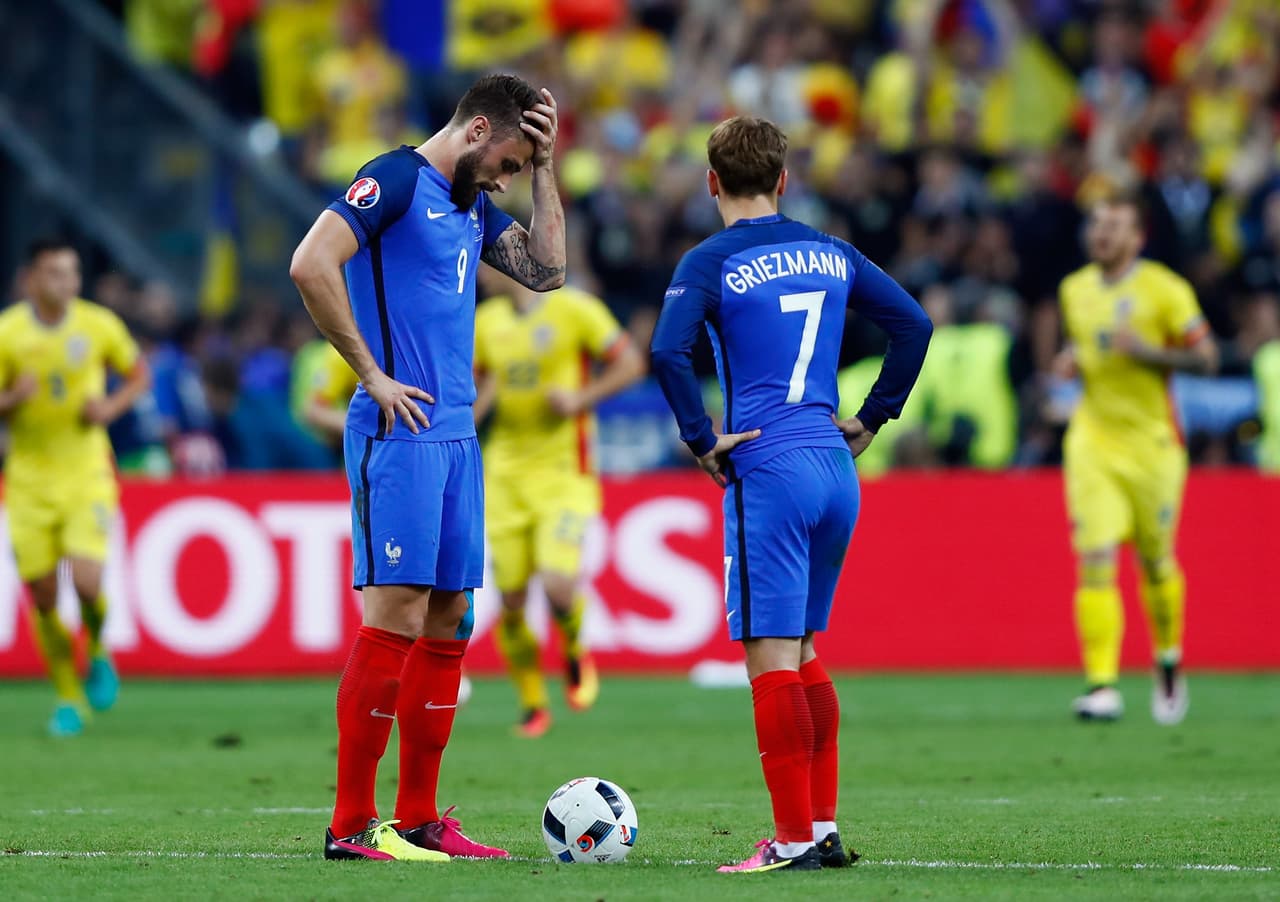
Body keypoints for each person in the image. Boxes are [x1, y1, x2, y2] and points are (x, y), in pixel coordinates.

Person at [290, 73, 565, 862]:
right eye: (511, 161)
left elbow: (548, 272)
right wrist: (370, 374)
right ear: (478, 130)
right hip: (398, 428)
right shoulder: (399, 178)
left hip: (455, 437)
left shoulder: (471, 204)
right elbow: (312, 263)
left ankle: (417, 820)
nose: (509, 178)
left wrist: (545, 169)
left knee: (451, 618)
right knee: (396, 617)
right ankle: (350, 824)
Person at [650, 117, 931, 874]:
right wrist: (873, 418)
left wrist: (700, 438)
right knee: (805, 649)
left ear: (712, 182)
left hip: (767, 465)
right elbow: (913, 323)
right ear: (784, 180)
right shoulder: (830, 251)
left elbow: (667, 349)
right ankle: (823, 828)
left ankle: (792, 839)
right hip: (835, 467)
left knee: (770, 655)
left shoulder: (709, 260)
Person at [1056, 194, 1217, 725]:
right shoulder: (1074, 290)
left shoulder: (1165, 290)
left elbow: (1208, 358)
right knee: (1096, 558)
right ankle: (1102, 684)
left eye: (1114, 225)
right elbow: (1089, 347)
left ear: (1137, 238)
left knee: (1155, 562)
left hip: (1153, 446)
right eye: (1098, 222)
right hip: (1094, 441)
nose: (1101, 233)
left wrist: (1151, 352)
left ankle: (1168, 658)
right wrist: (1073, 361)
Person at [473, 271, 645, 737]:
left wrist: (580, 399)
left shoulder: (575, 309)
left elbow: (631, 363)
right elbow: (480, 388)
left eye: (484, 260)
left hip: (565, 472)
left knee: (556, 584)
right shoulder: (484, 322)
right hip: (504, 475)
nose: (477, 272)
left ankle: (573, 649)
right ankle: (532, 703)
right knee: (510, 599)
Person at [0, 239, 151, 736]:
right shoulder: (9, 334)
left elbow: (137, 374)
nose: (65, 283)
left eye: (71, 273)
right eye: (54, 273)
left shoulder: (98, 324)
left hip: (86, 471)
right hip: (26, 480)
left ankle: (100, 649)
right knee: (43, 596)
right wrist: (9, 400)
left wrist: (109, 409)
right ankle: (68, 697)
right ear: (31, 280)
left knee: (86, 582)